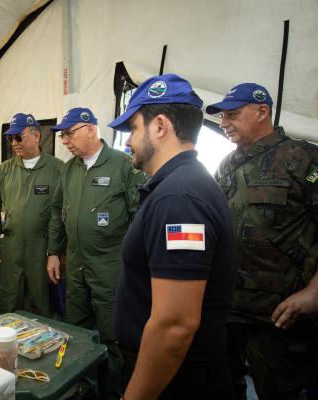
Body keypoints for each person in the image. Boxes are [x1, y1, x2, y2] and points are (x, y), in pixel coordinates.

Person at [110, 74, 236, 399]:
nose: (127, 142)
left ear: (160, 126)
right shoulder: (180, 185)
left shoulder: (180, 198)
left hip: (176, 383)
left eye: (134, 129)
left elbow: (175, 326)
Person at [209, 83, 318, 399]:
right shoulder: (226, 165)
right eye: (222, 117)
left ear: (262, 111)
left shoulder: (302, 158)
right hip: (229, 310)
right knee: (224, 386)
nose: (224, 123)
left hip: (279, 318)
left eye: (233, 114)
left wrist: (314, 292)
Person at [46, 107, 145, 399]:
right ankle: (84, 390)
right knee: (77, 333)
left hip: (111, 269)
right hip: (75, 267)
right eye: (62, 135)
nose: (64, 141)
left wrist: (136, 270)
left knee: (114, 338)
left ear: (91, 129)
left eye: (68, 133)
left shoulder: (124, 165)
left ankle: (115, 392)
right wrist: (54, 252)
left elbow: (139, 218)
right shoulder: (68, 169)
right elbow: (56, 212)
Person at [0, 113, 63, 316]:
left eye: (18, 137)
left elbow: (62, 214)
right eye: (10, 138)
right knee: (9, 299)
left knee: (42, 301)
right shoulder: (3, 171)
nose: (14, 143)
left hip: (42, 248)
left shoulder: (57, 169)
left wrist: (56, 251)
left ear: (36, 136)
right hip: (11, 247)